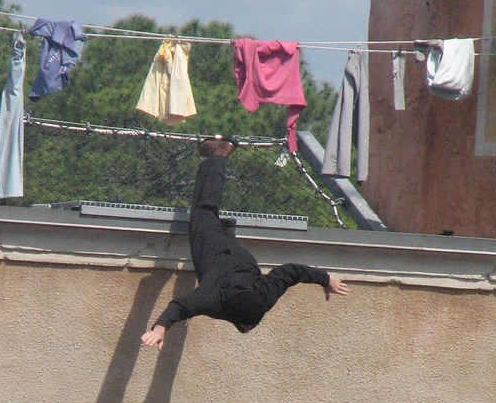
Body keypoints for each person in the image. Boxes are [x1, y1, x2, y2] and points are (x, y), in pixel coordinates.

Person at [140, 136, 350, 352]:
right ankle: (220, 154)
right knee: (203, 212)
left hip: (242, 258)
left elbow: (292, 272)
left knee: (208, 220)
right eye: (248, 325)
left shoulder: (266, 296)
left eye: (250, 325)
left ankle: (225, 226)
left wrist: (325, 279)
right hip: (216, 256)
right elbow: (180, 306)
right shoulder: (212, 299)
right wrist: (159, 330)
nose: (248, 328)